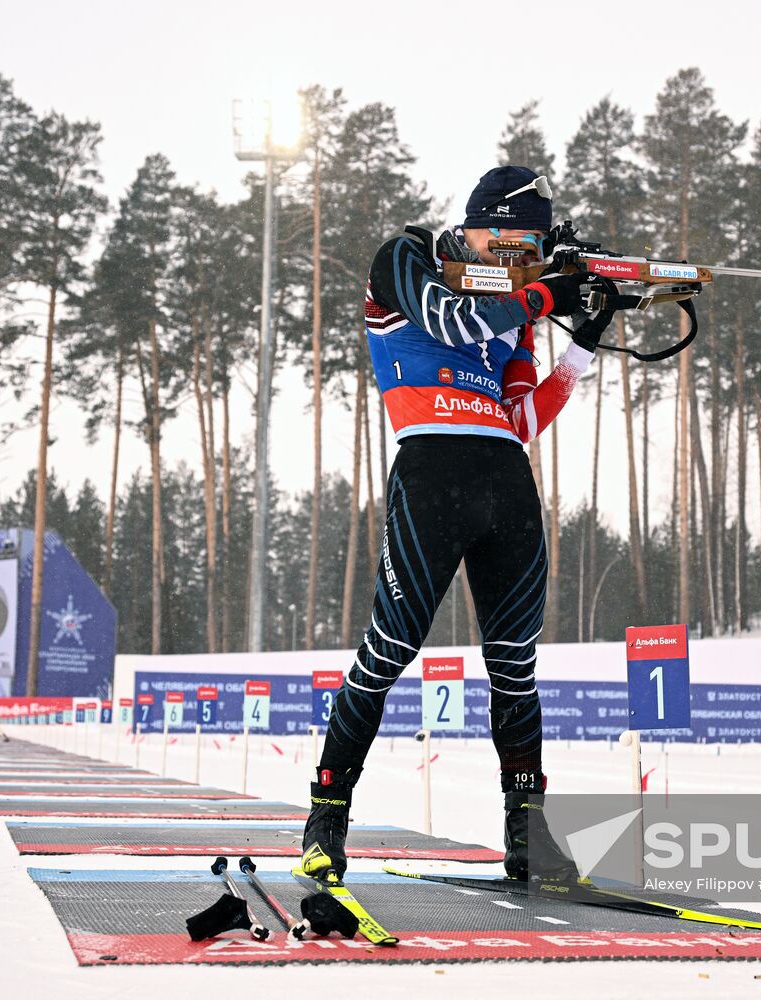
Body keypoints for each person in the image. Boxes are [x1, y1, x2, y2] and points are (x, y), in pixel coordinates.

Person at [299, 166, 629, 885]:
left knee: (515, 668)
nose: (520, 262)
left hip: (506, 482)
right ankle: (325, 820)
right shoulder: (406, 257)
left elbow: (523, 417)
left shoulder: (512, 310)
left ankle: (529, 837)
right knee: (389, 650)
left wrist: (587, 334)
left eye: (533, 249)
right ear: (479, 225)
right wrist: (544, 293)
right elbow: (451, 320)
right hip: (431, 472)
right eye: (513, 245)